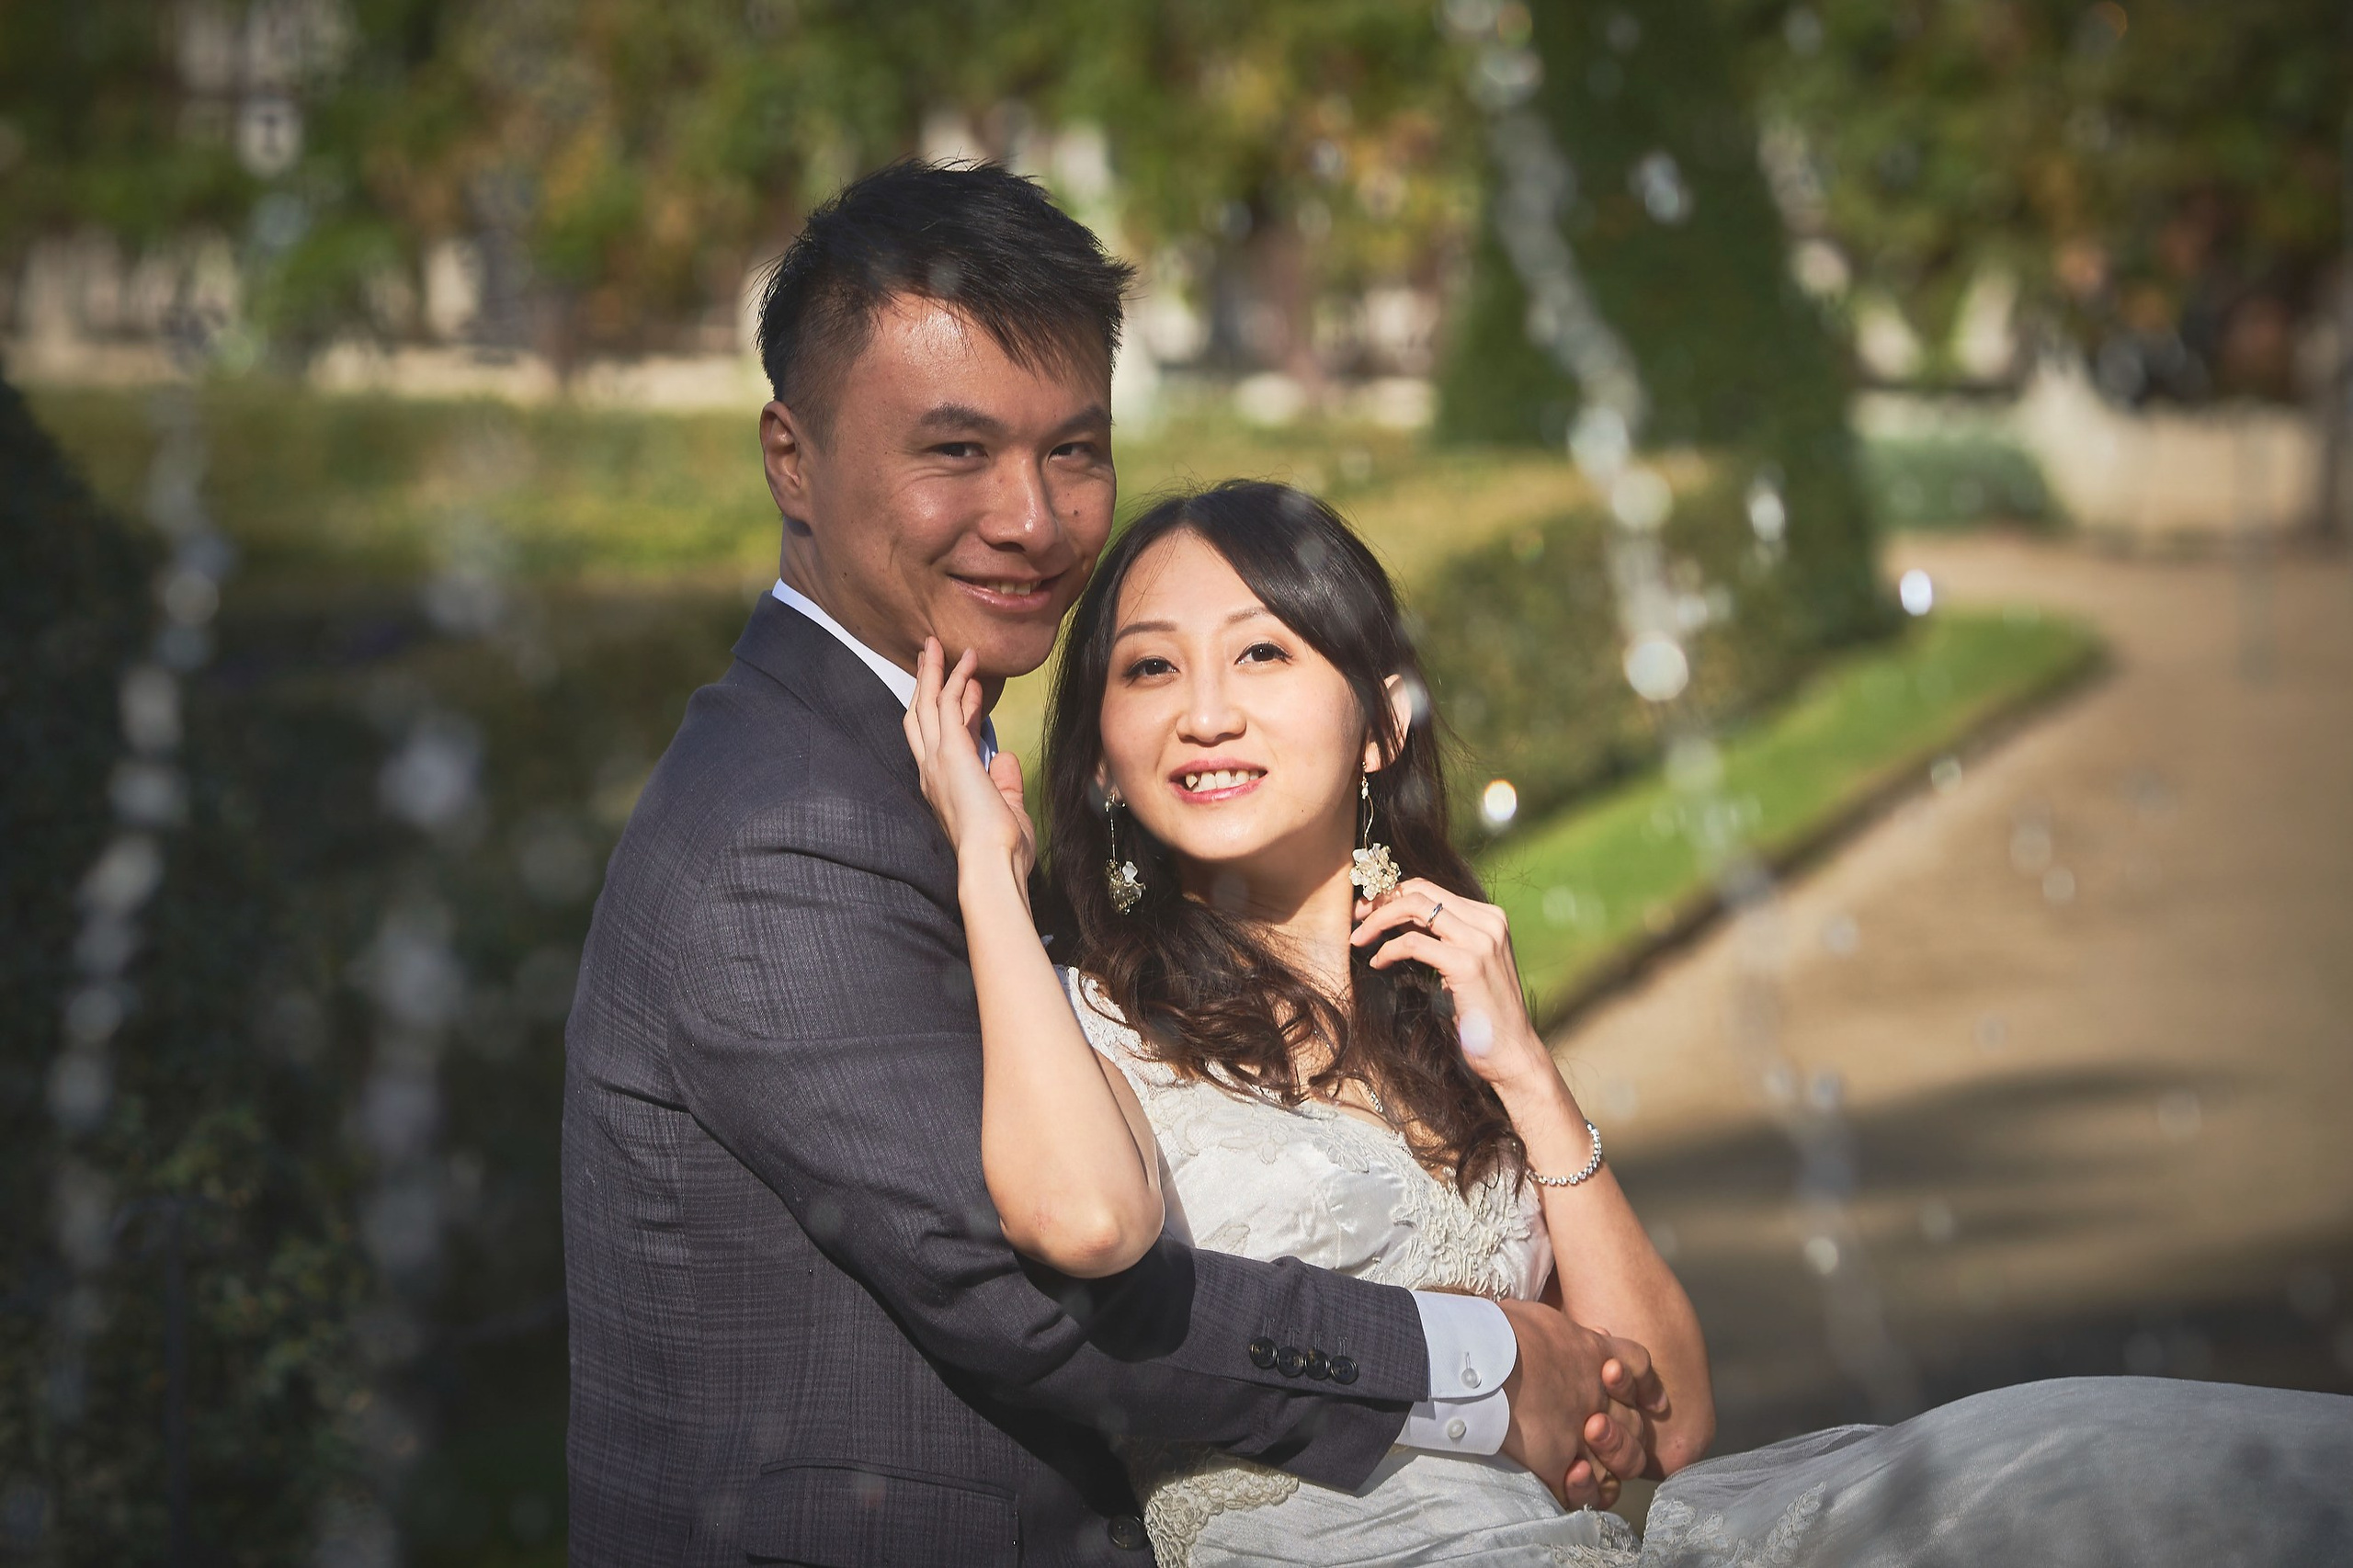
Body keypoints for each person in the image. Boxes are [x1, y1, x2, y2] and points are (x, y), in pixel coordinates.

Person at [902, 479, 2353, 1567]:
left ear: (1383, 721)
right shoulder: (1089, 1008)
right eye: (1151, 668)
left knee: (2095, 1464)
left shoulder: (1443, 1018)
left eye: (1266, 654)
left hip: (1594, 1538)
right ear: (1096, 750)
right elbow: (1086, 1219)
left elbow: (1671, 1422)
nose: (1204, 711)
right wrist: (987, 864)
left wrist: (1527, 1075)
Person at [562, 161, 1654, 1568]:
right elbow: (1028, 1302)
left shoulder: (907, 759)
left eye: (1074, 450)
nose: (1031, 518)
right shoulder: (787, 833)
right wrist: (1480, 1361)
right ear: (793, 458)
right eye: (955, 452)